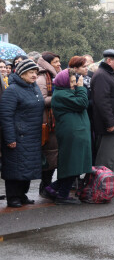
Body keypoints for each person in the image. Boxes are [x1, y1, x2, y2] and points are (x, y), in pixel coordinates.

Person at [0, 60, 45, 207]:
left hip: (32, 135)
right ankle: (13, 197)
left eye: (35, 72)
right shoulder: (12, 90)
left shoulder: (34, 87)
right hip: (18, 136)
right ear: (21, 73)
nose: (34, 75)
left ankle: (22, 195)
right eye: (31, 72)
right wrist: (10, 138)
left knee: (28, 167)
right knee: (15, 168)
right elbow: (5, 116)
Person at [45, 67, 92, 204]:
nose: (74, 84)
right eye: (71, 82)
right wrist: (81, 88)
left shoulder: (66, 92)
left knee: (75, 164)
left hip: (76, 133)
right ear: (64, 82)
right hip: (72, 134)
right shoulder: (61, 95)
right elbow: (83, 103)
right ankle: (62, 194)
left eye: (75, 81)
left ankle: (53, 188)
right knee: (73, 164)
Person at [36, 52, 61, 199]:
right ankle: (45, 187)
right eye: (55, 62)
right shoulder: (42, 78)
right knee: (48, 156)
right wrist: (61, 96)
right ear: (47, 63)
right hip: (47, 123)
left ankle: (47, 186)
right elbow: (43, 100)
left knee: (53, 156)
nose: (58, 64)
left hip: (54, 122)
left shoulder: (53, 77)